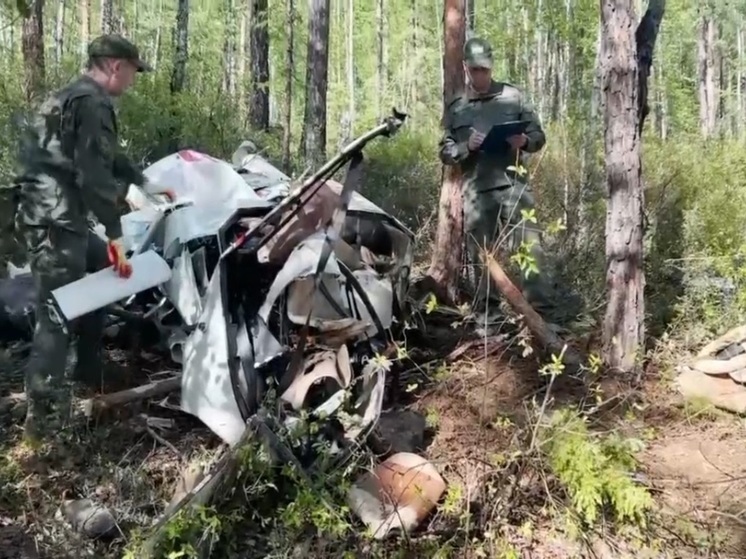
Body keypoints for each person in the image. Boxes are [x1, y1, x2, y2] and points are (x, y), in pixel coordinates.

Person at [10, 34, 172, 444]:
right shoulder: (93, 103)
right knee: (56, 314)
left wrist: (144, 180)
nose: (133, 81)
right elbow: (94, 176)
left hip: (55, 218)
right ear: (115, 66)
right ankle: (43, 426)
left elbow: (102, 155)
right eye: (133, 72)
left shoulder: (71, 96)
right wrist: (116, 233)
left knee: (103, 269)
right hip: (55, 223)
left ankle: (87, 365)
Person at [438, 36, 573, 326]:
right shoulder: (456, 107)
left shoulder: (512, 96)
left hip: (515, 186)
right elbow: (445, 151)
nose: (480, 75)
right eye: (475, 70)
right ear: (465, 68)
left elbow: (538, 137)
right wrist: (466, 147)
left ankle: (542, 317)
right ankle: (489, 320)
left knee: (530, 248)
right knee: (482, 257)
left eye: (484, 70)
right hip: (476, 191)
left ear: (492, 66)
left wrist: (524, 140)